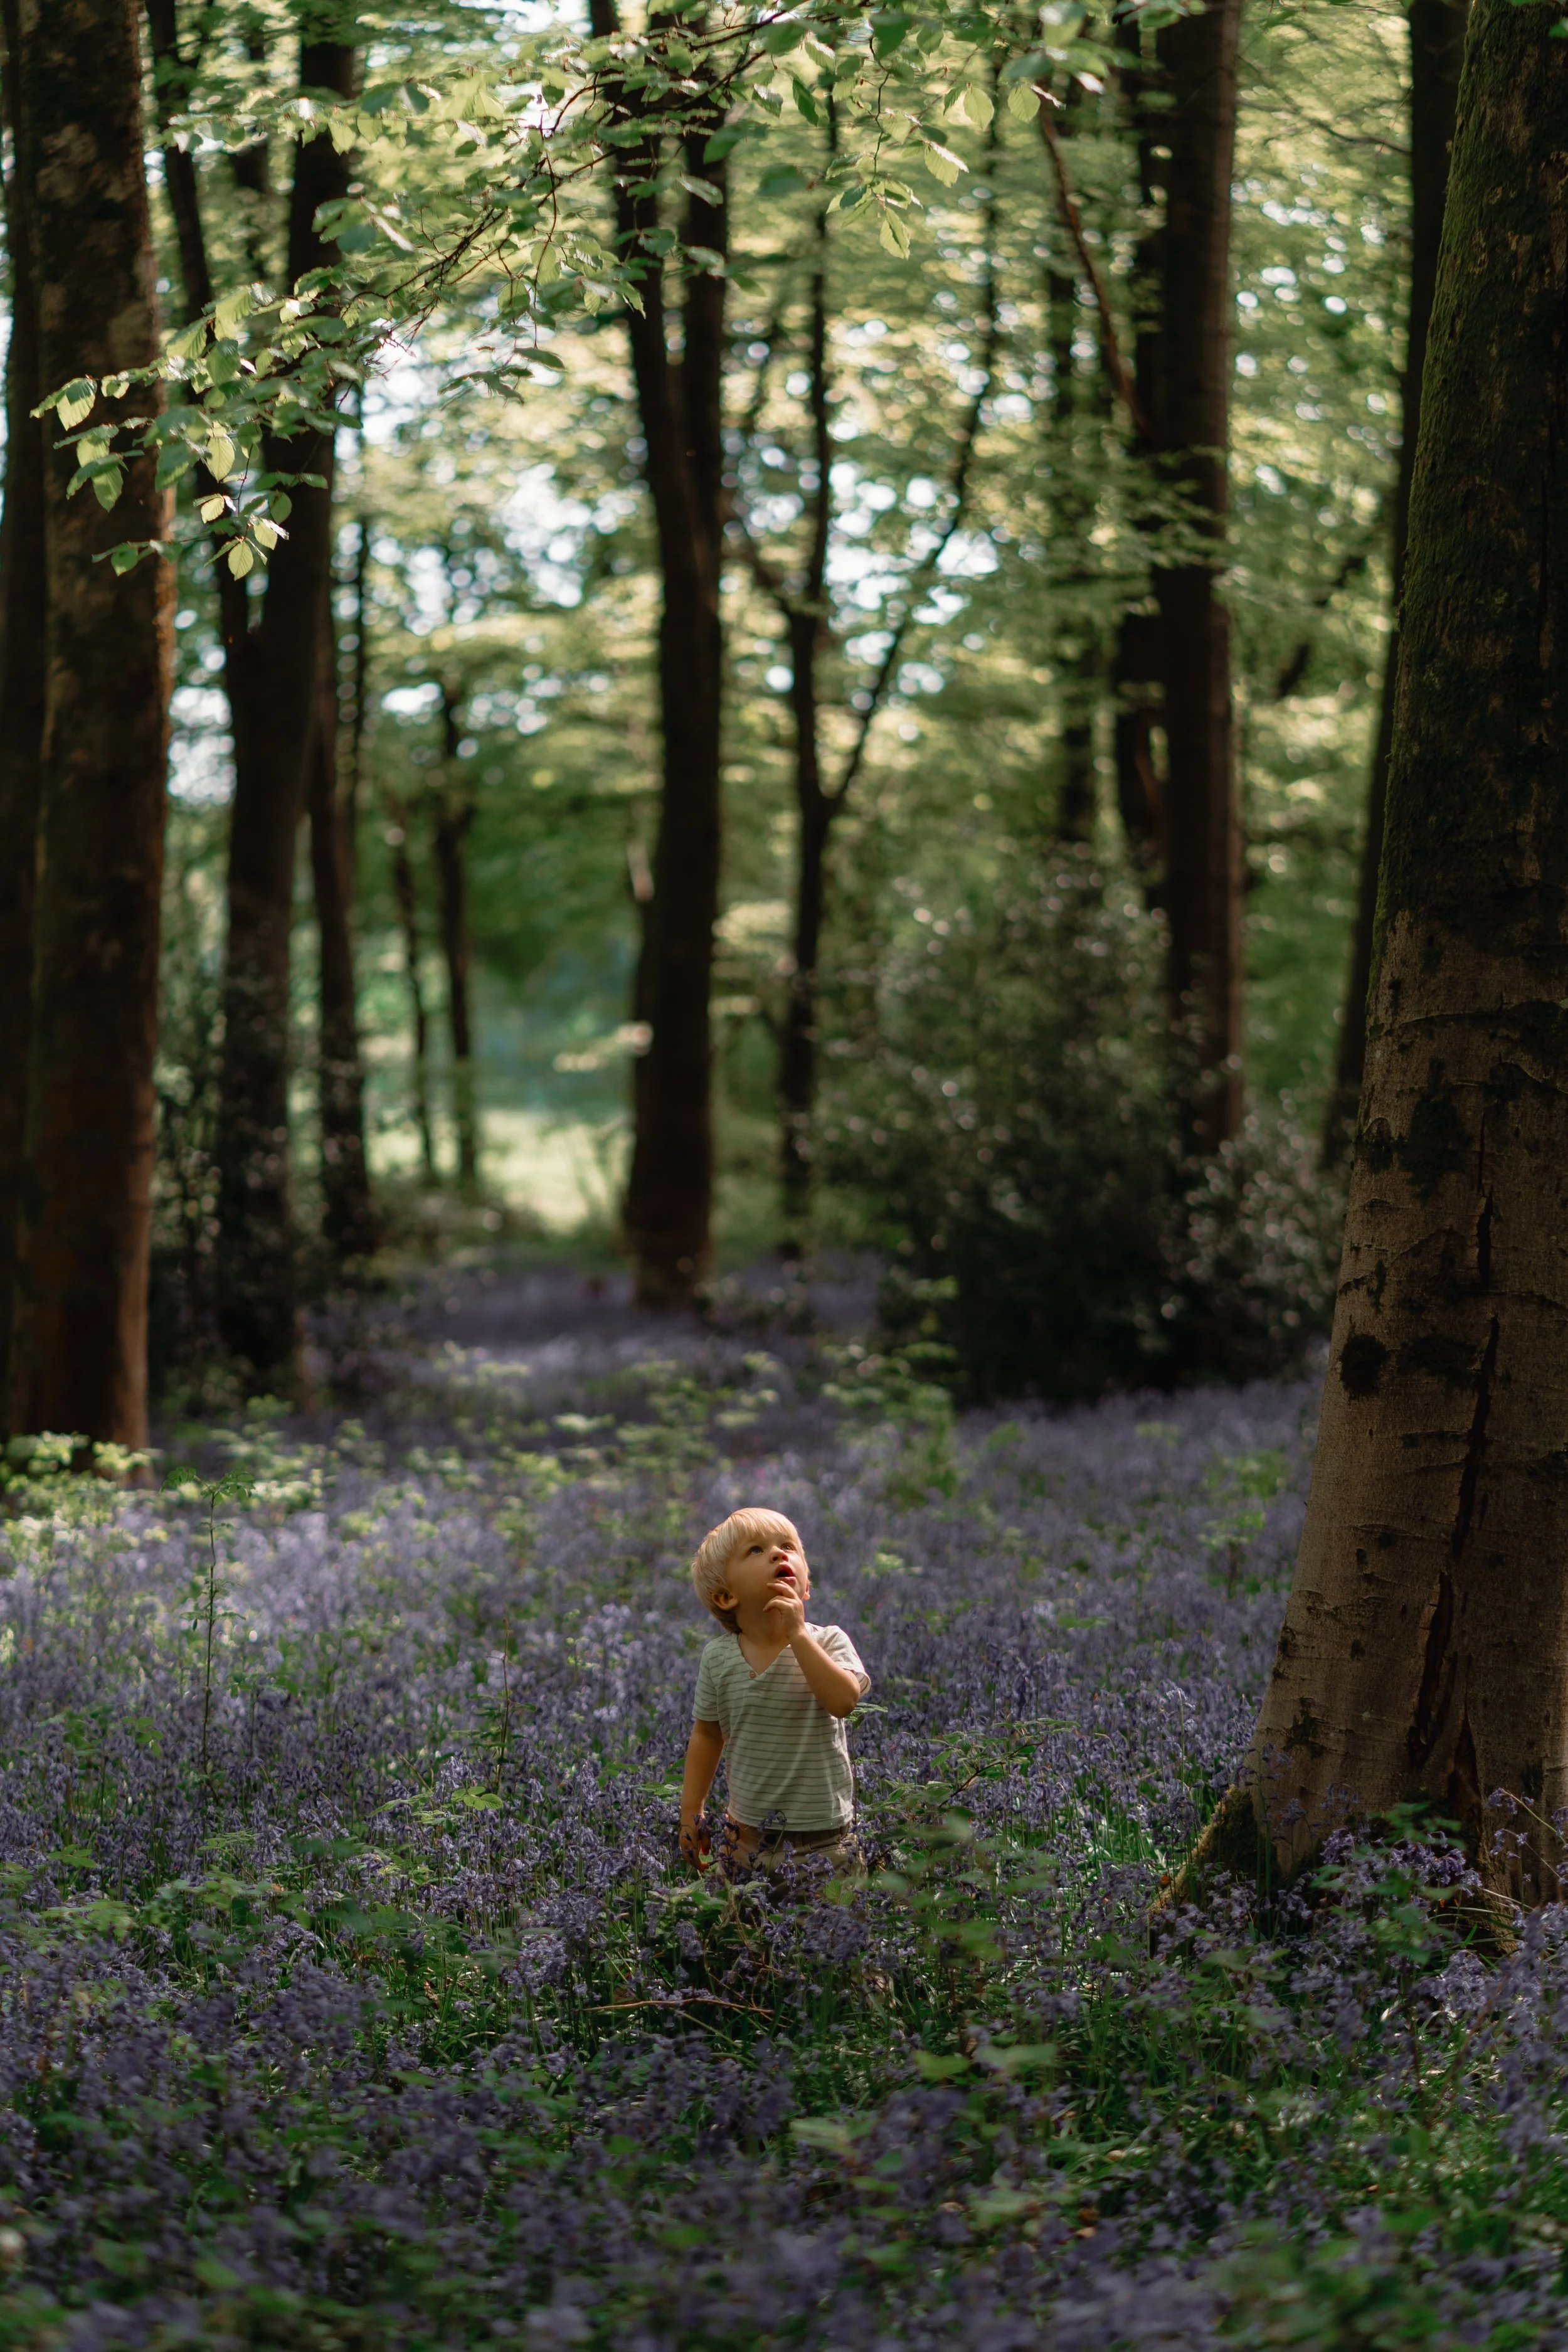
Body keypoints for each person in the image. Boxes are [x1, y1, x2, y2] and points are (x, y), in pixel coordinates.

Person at [681, 1507, 869, 1880]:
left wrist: (798, 1634)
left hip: (824, 1841)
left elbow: (843, 1701)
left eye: (789, 1547)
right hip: (746, 1841)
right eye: (755, 1550)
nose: (779, 1554)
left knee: (831, 1935)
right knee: (739, 1935)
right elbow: (707, 1734)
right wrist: (691, 1811)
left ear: (807, 1588)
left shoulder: (828, 1640)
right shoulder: (719, 1657)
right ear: (725, 1597)